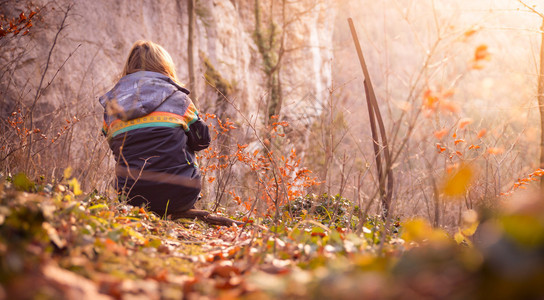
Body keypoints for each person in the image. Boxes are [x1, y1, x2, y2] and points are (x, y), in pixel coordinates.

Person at [99, 40, 210, 218]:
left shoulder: (110, 107)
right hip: (180, 195)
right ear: (164, 66)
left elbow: (114, 148)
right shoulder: (179, 99)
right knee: (184, 137)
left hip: (131, 197)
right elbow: (202, 140)